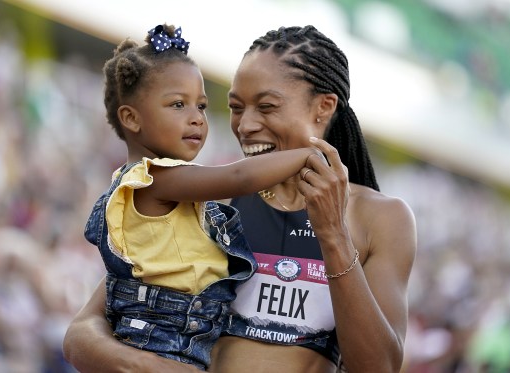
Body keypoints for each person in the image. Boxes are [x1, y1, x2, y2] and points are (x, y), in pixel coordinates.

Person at [63, 25, 417, 372]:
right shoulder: (210, 199)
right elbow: (82, 333)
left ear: (323, 108)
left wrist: (334, 236)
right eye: (235, 108)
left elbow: (379, 366)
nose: (245, 125)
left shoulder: (380, 219)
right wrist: (147, 364)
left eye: (265, 107)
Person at [84, 23, 325, 371]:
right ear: (131, 118)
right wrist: (307, 154)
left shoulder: (167, 184)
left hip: (185, 334)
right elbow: (238, 176)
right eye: (178, 104)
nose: (196, 119)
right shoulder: (152, 179)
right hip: (159, 336)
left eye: (201, 105)